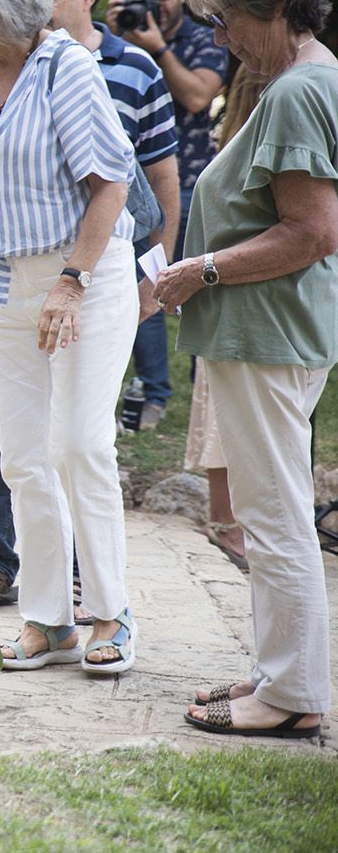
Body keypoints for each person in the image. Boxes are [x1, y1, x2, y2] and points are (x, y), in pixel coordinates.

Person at [0, 0, 180, 619]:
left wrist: (72, 282)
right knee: (22, 459)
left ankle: (109, 613)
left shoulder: (65, 67)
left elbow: (111, 182)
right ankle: (46, 621)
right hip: (5, 284)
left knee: (78, 446)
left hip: (86, 278)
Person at [154, 0, 336, 739]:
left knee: (274, 515)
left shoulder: (299, 89)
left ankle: (292, 695)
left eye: (227, 19)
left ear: (275, 4)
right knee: (269, 511)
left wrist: (202, 270)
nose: (222, 39)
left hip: (266, 332)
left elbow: (312, 231)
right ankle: (276, 673)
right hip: (267, 332)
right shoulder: (306, 77)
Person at [109, 0, 231, 428]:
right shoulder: (121, 38)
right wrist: (119, 40)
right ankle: (152, 394)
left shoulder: (205, 38)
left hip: (192, 184)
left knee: (199, 288)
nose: (152, 6)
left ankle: (207, 397)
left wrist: (157, 49)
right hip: (135, 186)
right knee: (143, 283)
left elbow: (199, 96)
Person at [184, 67, 270, 571]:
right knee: (224, 405)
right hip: (234, 293)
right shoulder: (234, 158)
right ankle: (226, 521)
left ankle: (234, 520)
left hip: (241, 294)